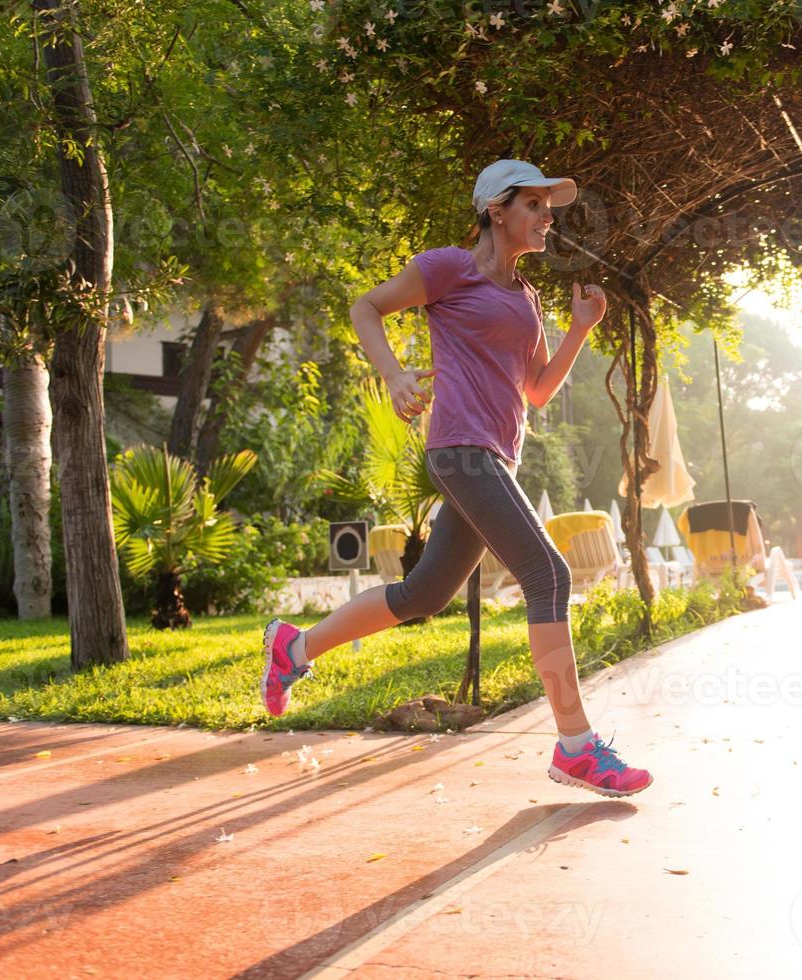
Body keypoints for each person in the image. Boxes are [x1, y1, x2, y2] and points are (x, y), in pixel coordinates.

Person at [257, 159, 652, 798]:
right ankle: (577, 747)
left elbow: (537, 391)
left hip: (497, 456)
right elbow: (367, 307)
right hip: (462, 451)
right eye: (535, 204)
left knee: (421, 596)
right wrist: (392, 374)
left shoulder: (527, 297)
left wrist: (579, 331)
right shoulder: (449, 269)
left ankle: (293, 650)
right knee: (548, 574)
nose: (548, 217)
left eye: (550, 207)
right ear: (496, 211)